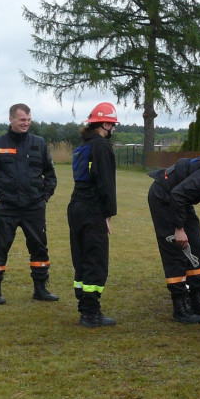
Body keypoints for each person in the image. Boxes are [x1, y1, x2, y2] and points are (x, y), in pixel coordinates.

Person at [0, 103, 58, 305]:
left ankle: (40, 290)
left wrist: (44, 198)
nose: (26, 124)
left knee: (39, 248)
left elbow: (50, 174)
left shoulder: (39, 143)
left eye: (29, 120)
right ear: (11, 119)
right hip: (6, 208)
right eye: (22, 120)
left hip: (34, 207)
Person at [147, 155, 200, 324]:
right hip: (164, 195)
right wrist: (179, 229)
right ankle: (179, 308)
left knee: (196, 248)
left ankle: (197, 302)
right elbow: (178, 194)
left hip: (181, 200)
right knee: (175, 250)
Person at [68, 102, 119, 328]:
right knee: (95, 260)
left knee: (81, 257)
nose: (114, 129)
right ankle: (90, 313)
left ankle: (84, 306)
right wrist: (108, 213)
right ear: (105, 124)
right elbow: (106, 183)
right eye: (113, 125)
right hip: (92, 209)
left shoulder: (83, 146)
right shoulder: (102, 146)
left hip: (76, 206)